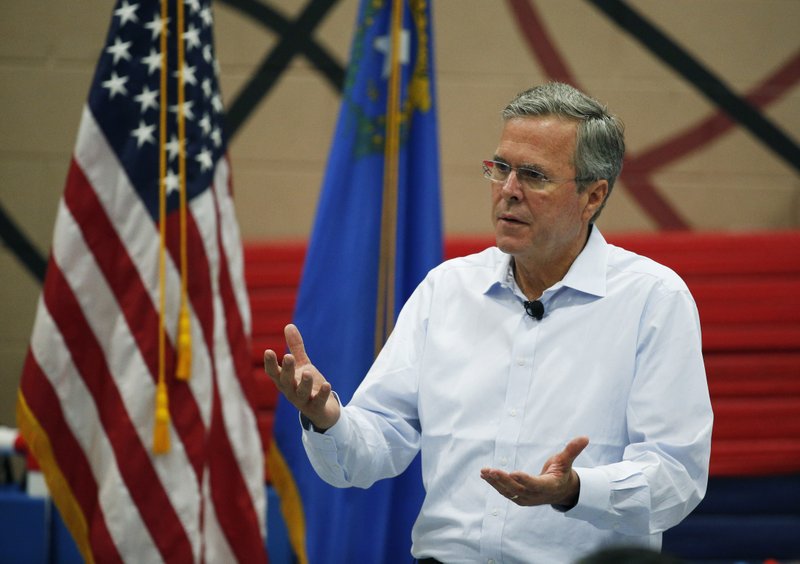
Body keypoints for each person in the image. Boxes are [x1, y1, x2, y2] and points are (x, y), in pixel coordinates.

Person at [264, 82, 713, 563]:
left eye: (534, 175)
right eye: (500, 169)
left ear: (592, 196)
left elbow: (676, 477)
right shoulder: (447, 290)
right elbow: (371, 449)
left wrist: (575, 489)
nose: (509, 191)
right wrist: (327, 419)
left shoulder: (652, 300)